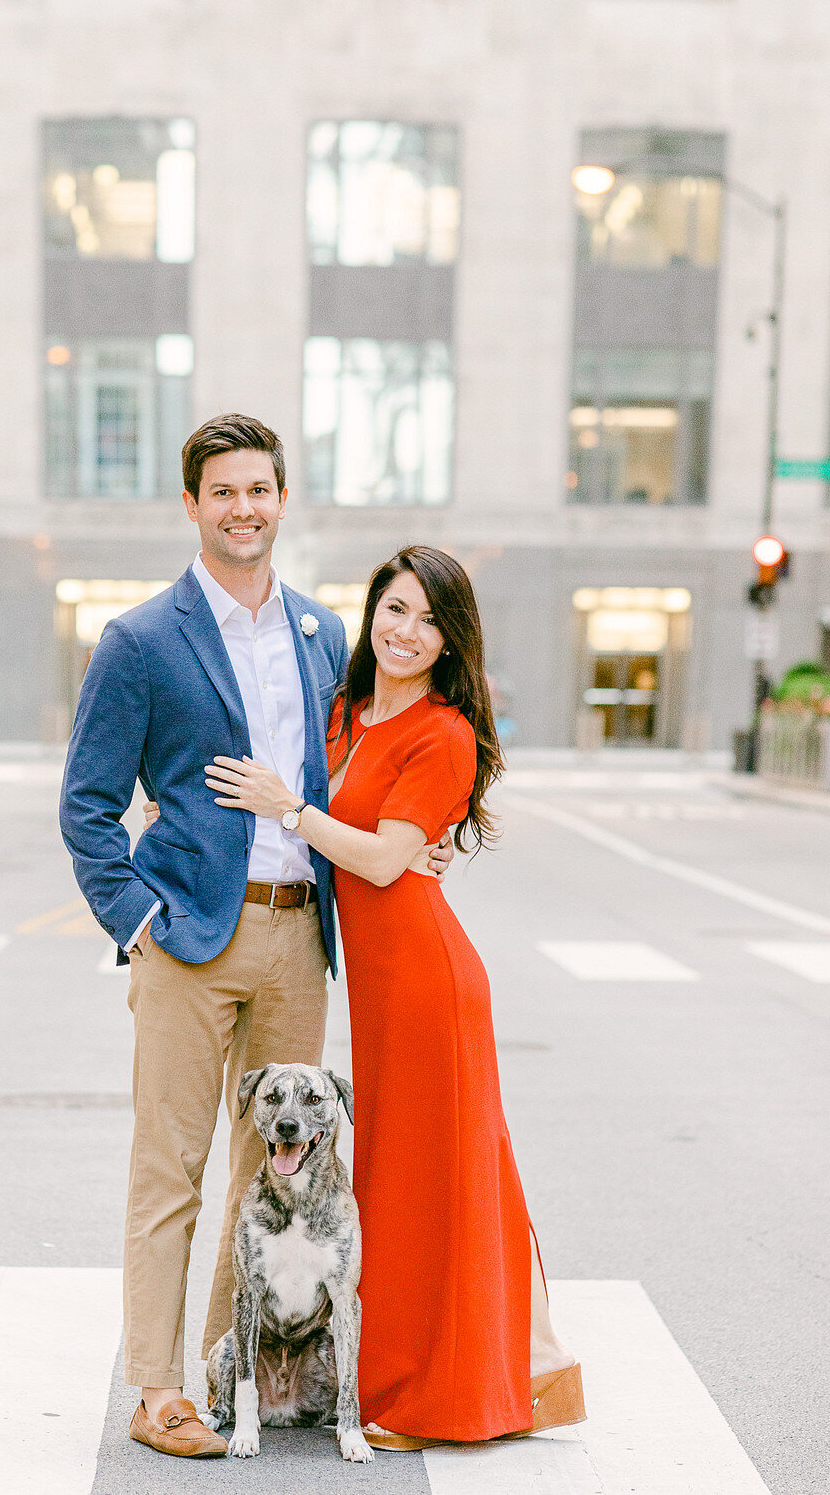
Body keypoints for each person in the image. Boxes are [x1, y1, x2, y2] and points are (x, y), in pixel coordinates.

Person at [59, 419, 451, 1460]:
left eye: (260, 490)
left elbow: (359, 778)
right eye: (222, 491)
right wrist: (139, 919)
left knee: (270, 1175)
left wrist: (413, 848)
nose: (243, 508)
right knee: (170, 1170)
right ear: (192, 505)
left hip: (296, 941)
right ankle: (157, 1390)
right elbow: (88, 806)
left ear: (284, 500)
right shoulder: (141, 642)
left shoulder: (327, 636)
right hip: (188, 940)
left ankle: (233, 1379)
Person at [202, 544, 584, 1448]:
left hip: (428, 986)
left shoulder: (444, 732)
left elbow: (376, 856)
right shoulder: (347, 711)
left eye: (430, 621)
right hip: (376, 986)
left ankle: (439, 1395)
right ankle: (395, 1374)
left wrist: (285, 806)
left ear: (454, 643)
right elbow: (376, 840)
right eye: (395, 610)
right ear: (371, 613)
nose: (407, 633)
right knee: (396, 1186)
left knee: (431, 1189)